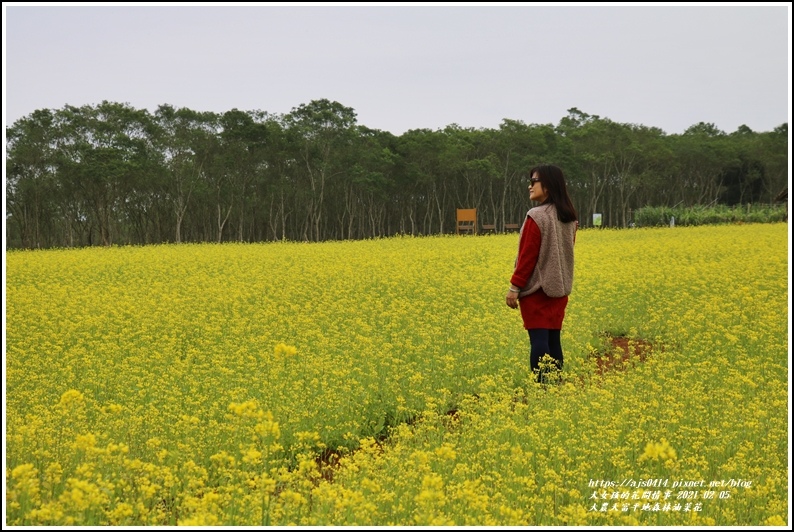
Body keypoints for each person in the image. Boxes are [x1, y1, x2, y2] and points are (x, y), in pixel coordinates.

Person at [506, 164, 578, 383]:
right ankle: (555, 384)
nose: (530, 186)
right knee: (553, 340)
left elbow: (527, 257)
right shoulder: (569, 217)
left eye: (533, 181)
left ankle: (541, 386)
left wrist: (514, 288)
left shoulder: (536, 216)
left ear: (547, 185)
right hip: (560, 289)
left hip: (537, 290)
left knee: (538, 341)